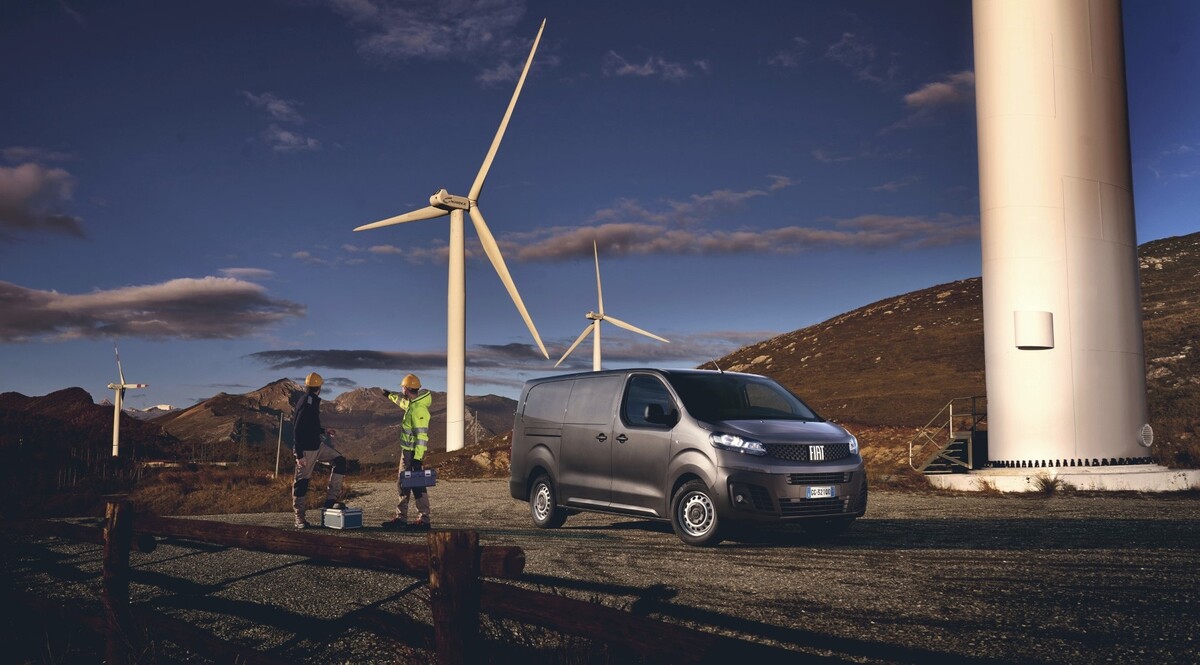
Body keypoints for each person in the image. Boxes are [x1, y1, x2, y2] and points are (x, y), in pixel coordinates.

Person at [292, 371, 347, 529]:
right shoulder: (307, 402)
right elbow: (297, 428)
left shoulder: (311, 400)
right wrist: (300, 455)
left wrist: (324, 430)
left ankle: (330, 501)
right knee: (301, 483)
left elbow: (309, 425)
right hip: (306, 450)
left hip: (317, 445)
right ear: (320, 387)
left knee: (339, 461)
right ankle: (299, 518)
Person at [380, 373, 432, 530]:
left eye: (403, 387)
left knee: (416, 484)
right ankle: (403, 518)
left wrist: (417, 458)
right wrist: (389, 395)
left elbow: (422, 436)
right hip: (407, 452)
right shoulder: (412, 404)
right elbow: (402, 403)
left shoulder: (418, 410)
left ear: (407, 389)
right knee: (405, 483)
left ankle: (422, 520)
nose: (401, 389)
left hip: (413, 454)